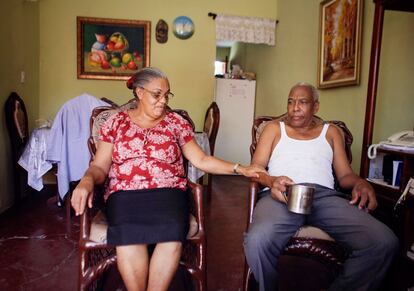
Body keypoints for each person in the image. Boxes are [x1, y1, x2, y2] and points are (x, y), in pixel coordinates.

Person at [71, 67, 264, 291]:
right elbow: (99, 167)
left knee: (172, 232)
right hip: (125, 195)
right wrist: (86, 180)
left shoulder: (175, 123)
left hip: (169, 194)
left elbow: (201, 159)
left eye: (167, 95)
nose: (163, 101)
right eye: (157, 95)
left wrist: (240, 169)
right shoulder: (115, 123)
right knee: (128, 235)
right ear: (139, 92)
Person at [243, 82, 399, 291]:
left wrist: (361, 182)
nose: (295, 108)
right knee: (257, 240)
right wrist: (272, 181)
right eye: (291, 102)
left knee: (384, 242)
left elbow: (344, 176)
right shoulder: (273, 129)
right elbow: (256, 168)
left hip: (325, 197)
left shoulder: (331, 132)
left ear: (316, 106)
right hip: (281, 195)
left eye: (302, 102)